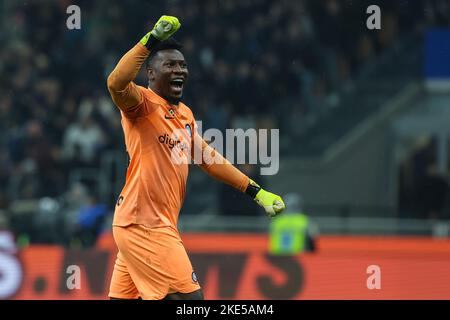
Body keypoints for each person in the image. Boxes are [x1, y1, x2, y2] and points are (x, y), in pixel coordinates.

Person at [106, 15, 286, 300]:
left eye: (183, 65)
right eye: (170, 65)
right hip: (146, 224)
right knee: (190, 300)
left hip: (141, 223)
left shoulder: (184, 114)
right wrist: (150, 39)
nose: (179, 70)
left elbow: (207, 157)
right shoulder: (140, 104)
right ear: (151, 74)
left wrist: (256, 191)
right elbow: (115, 83)